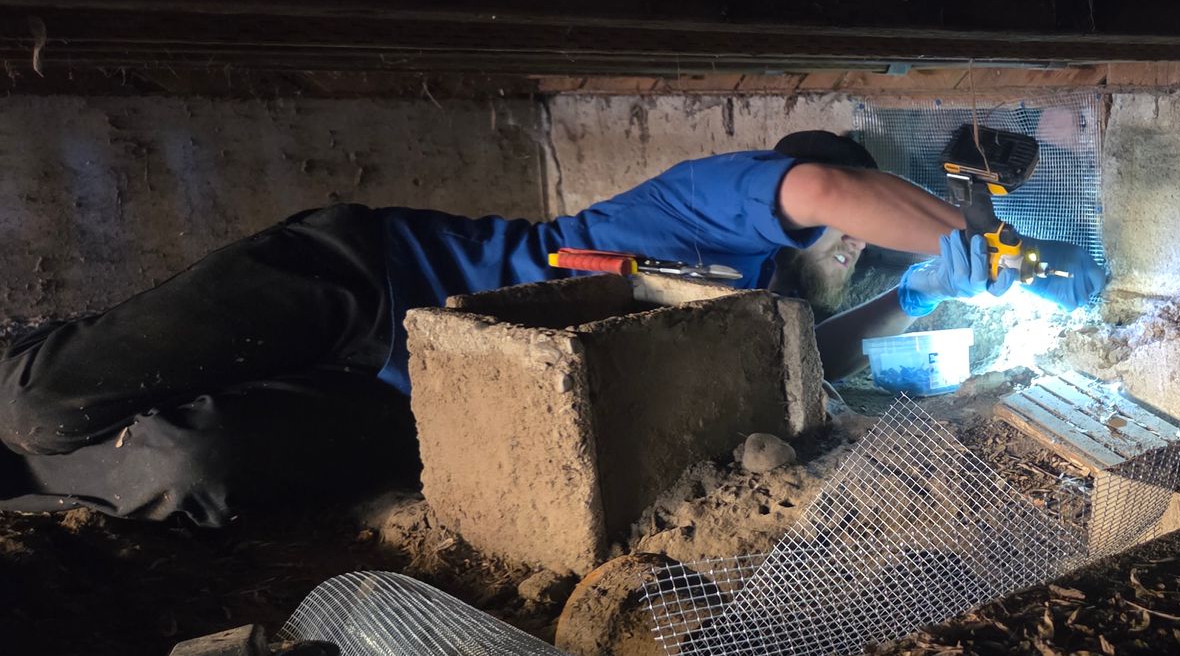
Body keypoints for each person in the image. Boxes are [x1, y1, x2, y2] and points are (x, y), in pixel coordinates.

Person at [0, 131, 1105, 526]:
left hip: (437, 410)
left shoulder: (764, 312)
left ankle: (22, 480)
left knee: (195, 463)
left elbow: (818, 351)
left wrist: (926, 297)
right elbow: (819, 184)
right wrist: (984, 243)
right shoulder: (703, 200)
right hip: (374, 282)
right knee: (51, 399)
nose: (841, 241)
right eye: (854, 222)